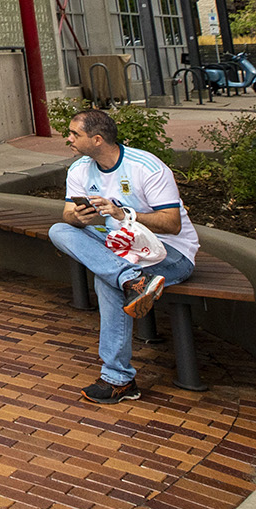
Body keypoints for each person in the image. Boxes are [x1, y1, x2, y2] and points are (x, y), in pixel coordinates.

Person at [49, 108, 199, 404]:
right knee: (59, 230)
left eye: (74, 134)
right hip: (122, 247)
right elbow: (67, 214)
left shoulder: (147, 167)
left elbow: (172, 223)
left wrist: (124, 213)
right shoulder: (80, 168)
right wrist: (79, 216)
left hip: (169, 252)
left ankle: (118, 379)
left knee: (108, 280)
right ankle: (132, 280)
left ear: (97, 139)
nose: (68, 139)